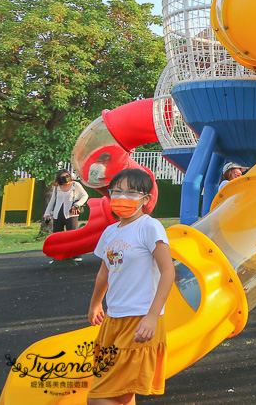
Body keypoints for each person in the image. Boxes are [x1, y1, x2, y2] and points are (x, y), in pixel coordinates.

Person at [87, 168, 174, 404]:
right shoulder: (110, 232)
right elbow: (105, 272)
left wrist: (152, 317)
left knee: (98, 397)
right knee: (123, 394)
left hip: (139, 320)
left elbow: (168, 272)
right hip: (114, 320)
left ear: (145, 199)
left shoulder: (149, 227)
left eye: (131, 192)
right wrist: (96, 304)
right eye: (117, 191)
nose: (122, 197)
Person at [43, 170, 89, 262]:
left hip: (71, 213)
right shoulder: (57, 187)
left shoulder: (75, 185)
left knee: (73, 234)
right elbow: (52, 200)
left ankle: (76, 255)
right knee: (57, 235)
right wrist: (47, 213)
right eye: (63, 177)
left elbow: (85, 195)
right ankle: (57, 256)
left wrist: (77, 204)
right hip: (58, 213)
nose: (66, 178)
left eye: (67, 175)